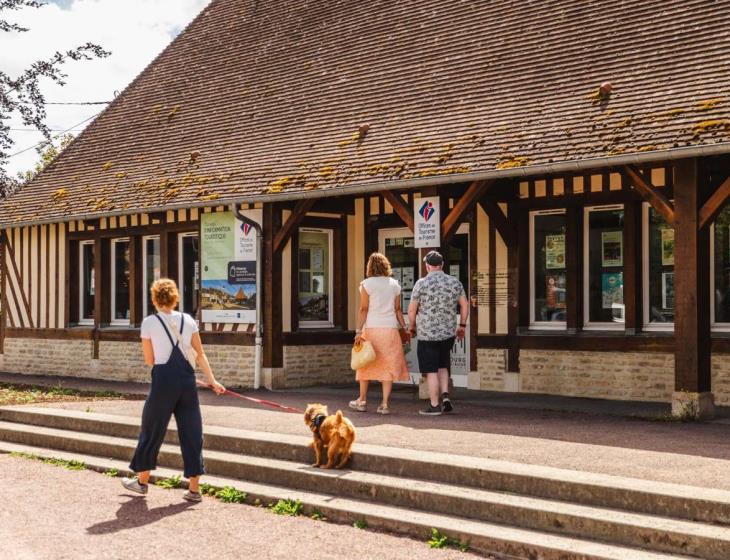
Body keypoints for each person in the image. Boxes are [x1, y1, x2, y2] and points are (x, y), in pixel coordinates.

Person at [122, 278, 226, 501]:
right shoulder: (188, 320)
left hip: (163, 382)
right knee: (192, 431)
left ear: (154, 298)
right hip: (187, 382)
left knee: (152, 429)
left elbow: (150, 359)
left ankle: (142, 483)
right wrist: (212, 381)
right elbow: (200, 354)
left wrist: (167, 374)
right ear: (175, 298)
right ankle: (194, 489)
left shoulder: (149, 323)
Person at [408, 250, 469, 416]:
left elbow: (412, 310)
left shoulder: (421, 283)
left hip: (427, 334)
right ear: (442, 265)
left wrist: (412, 326)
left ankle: (434, 405)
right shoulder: (454, 282)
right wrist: (462, 325)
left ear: (427, 266)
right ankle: (446, 397)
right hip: (448, 333)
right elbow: (464, 305)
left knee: (431, 370)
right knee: (443, 365)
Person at [349, 252, 410, 415]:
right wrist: (404, 327)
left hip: (372, 328)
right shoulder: (394, 284)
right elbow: (398, 310)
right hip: (390, 330)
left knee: (365, 364)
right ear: (386, 266)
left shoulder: (366, 284)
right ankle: (384, 405)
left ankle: (361, 401)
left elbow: (364, 309)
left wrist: (358, 330)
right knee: (388, 367)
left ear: (370, 267)